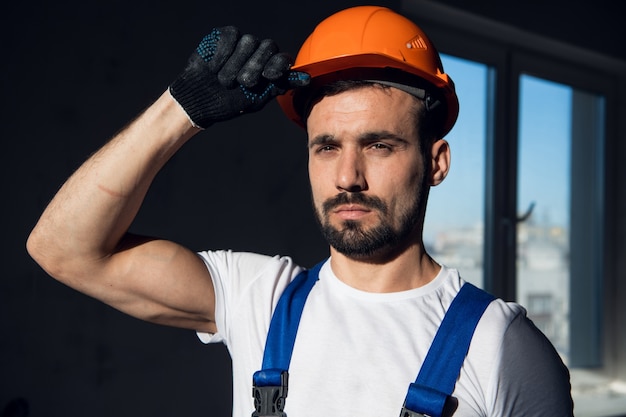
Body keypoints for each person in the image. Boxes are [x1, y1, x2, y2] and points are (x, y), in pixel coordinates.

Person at [26, 5, 573, 417]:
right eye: (327, 146)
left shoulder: (502, 347)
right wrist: (181, 109)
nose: (347, 177)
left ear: (436, 162)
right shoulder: (257, 297)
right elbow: (63, 249)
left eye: (379, 145)